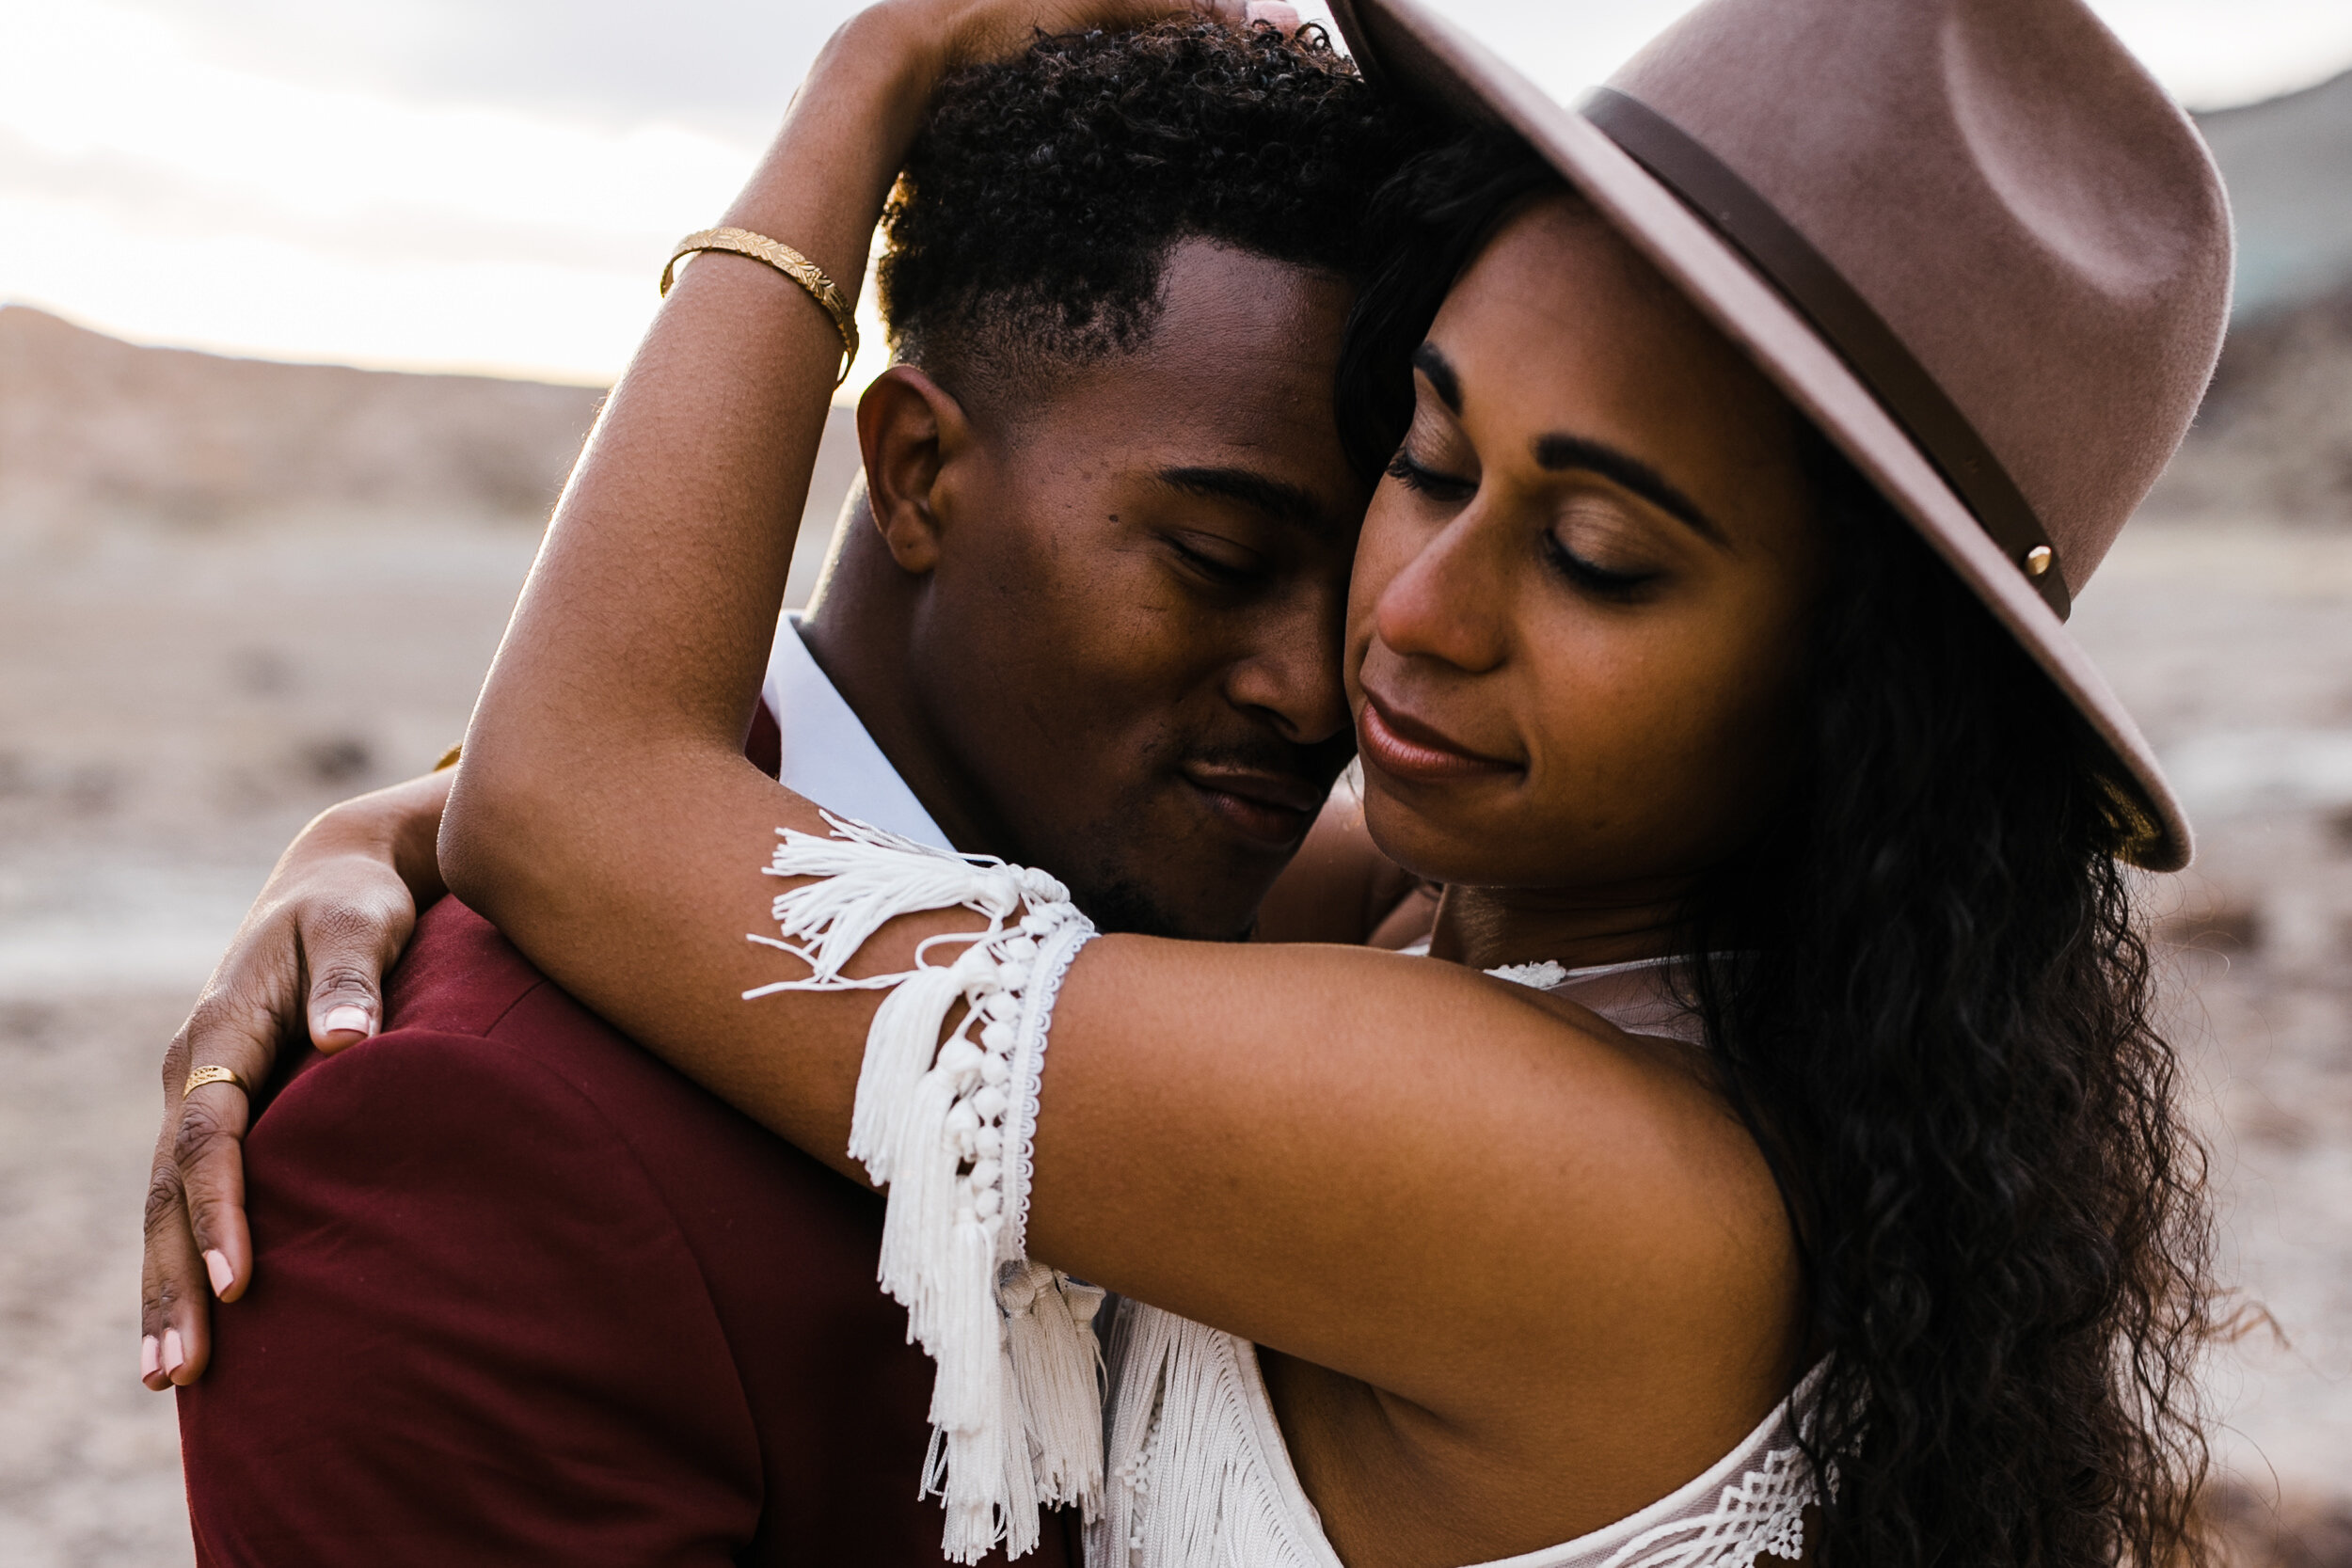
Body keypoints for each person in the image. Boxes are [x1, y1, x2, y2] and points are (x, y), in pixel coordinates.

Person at [294, 0, 2228, 1560]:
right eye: (1434, 458)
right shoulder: (1531, 937)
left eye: (1598, 560)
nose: (1399, 622)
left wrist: (866, 70)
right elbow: (756, 832)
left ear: (1856, 701)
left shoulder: (1545, 1165)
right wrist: (383, 831)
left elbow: (574, 802)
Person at [145, 12, 1431, 1564]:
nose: (1316, 692)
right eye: (1215, 559)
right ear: (910, 470)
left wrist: (403, 815)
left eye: (1365, 590)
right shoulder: (473, 1135)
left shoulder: (1263, 933)